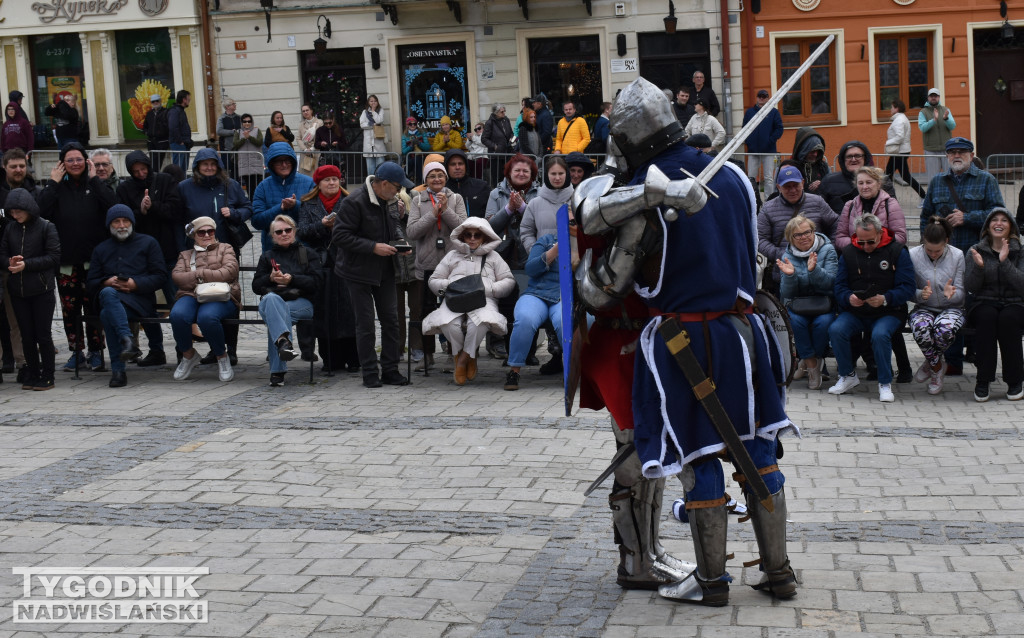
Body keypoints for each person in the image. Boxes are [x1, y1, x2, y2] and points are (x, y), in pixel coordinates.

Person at [576, 78, 796, 605]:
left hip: (682, 341)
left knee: (698, 455)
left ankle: (712, 581)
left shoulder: (645, 206)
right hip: (746, 333)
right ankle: (778, 571)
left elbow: (603, 292)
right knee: (757, 452)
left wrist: (582, 268)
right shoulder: (739, 180)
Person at [920, 136, 1005, 375]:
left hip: (977, 255)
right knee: (951, 305)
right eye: (952, 152)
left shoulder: (986, 180)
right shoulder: (937, 182)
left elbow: (999, 214)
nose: (957, 156)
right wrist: (927, 246)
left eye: (962, 152)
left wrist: (968, 218)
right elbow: (925, 215)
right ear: (946, 156)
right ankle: (953, 361)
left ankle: (978, 354)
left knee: (976, 304)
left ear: (971, 154)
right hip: (944, 257)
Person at [333, 161, 412, 388]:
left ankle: (390, 369)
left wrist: (400, 243)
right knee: (365, 323)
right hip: (356, 271)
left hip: (385, 269)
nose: (399, 192)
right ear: (384, 183)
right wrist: (372, 247)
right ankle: (369, 372)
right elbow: (339, 236)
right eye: (397, 187)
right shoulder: (354, 202)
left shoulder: (390, 200)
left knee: (392, 320)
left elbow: (393, 227)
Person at [39, 142, 117, 373]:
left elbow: (113, 208)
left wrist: (95, 180)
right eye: (70, 160)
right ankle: (76, 351)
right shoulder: (56, 188)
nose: (75, 164)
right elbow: (40, 212)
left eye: (79, 159)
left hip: (93, 260)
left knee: (92, 307)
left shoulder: (95, 185)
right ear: (62, 164)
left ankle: (96, 350)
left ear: (86, 162)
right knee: (69, 308)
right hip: (65, 262)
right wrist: (52, 182)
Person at [177, 148, 252, 365]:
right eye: (204, 164)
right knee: (204, 298)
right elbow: (177, 215)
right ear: (197, 167)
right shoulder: (184, 188)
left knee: (229, 296)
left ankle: (232, 349)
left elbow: (248, 207)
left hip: (226, 249)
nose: (209, 168)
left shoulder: (230, 185)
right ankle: (214, 347)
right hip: (197, 252)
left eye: (213, 164)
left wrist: (235, 214)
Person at [828, 213, 915, 402]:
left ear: (880, 233)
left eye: (870, 242)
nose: (865, 247)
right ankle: (847, 375)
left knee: (880, 335)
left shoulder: (898, 251)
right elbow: (839, 286)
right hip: (856, 311)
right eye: (861, 242)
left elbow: (908, 288)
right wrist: (848, 298)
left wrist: (886, 298)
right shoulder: (849, 253)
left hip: (889, 311)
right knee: (836, 329)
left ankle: (884, 383)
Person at [423, 218, 515, 384]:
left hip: (483, 299)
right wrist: (451, 286)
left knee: (479, 322)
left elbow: (508, 281)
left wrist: (489, 289)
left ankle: (464, 359)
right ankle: (464, 355)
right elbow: (434, 280)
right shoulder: (451, 255)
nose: (472, 238)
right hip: (455, 299)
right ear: (462, 236)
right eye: (468, 235)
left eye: (477, 235)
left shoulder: (493, 256)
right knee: (449, 323)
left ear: (484, 237)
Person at [86, 205, 167, 388]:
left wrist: (134, 284)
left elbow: (160, 276)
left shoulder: (148, 243)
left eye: (125, 221)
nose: (121, 225)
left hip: (139, 301)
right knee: (108, 296)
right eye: (116, 221)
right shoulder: (101, 249)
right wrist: (106, 282)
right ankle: (126, 341)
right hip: (110, 299)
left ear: (132, 223)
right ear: (110, 225)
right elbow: (91, 282)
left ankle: (119, 370)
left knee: (108, 314)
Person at [117, 150, 183, 366]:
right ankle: (156, 350)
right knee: (146, 305)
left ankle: (184, 348)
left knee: (177, 302)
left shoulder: (164, 181)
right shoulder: (125, 188)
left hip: (167, 252)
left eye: (143, 169)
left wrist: (153, 206)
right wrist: (140, 212)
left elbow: (175, 210)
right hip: (140, 257)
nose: (140, 173)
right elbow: (123, 219)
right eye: (135, 171)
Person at [298, 164, 360, 371]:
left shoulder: (351, 201)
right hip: (321, 264)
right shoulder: (308, 204)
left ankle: (354, 359)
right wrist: (321, 225)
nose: (332, 183)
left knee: (349, 311)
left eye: (335, 179)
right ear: (319, 183)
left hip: (347, 261)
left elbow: (360, 229)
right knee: (325, 313)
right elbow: (303, 231)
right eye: (327, 180)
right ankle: (331, 360)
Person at [407, 161, 467, 370]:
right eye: (432, 176)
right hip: (427, 264)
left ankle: (454, 352)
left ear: (446, 178)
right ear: (426, 180)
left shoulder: (456, 198)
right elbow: (412, 232)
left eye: (440, 175)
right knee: (426, 310)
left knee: (454, 308)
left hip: (452, 265)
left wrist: (445, 209)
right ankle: (427, 354)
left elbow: (463, 228)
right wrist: (433, 214)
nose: (437, 179)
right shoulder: (417, 201)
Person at [252, 214, 323, 386]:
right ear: (273, 236)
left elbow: (317, 283)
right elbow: (256, 286)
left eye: (287, 230)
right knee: (272, 302)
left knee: (273, 314)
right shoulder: (267, 256)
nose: (284, 233)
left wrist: (292, 279)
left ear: (294, 231)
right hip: (274, 301)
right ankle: (284, 344)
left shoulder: (307, 254)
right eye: (279, 231)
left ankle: (278, 370)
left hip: (301, 302)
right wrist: (270, 278)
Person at [0, 188, 59, 390]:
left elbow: (53, 257)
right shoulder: (10, 228)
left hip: (42, 289)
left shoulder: (46, 227)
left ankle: (48, 375)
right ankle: (32, 372)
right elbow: (2, 253)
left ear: (28, 208)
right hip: (18, 290)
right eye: (12, 212)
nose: (15, 216)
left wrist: (27, 264)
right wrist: (9, 261)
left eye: (19, 211)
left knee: (43, 335)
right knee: (26, 335)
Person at [169, 216, 239, 383]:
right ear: (194, 235)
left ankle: (222, 356)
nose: (207, 234)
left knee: (207, 317)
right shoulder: (185, 255)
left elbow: (229, 271)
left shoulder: (225, 248)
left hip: (221, 295)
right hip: (191, 295)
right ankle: (188, 354)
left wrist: (199, 274)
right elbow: (177, 277)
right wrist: (206, 276)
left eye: (210, 231)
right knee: (177, 315)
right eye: (202, 232)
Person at [965, 208, 1024, 401]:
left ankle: (1015, 380)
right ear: (987, 226)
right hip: (984, 302)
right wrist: (980, 268)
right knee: (987, 318)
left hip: (1015, 303)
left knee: (1009, 319)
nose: (999, 223)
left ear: (1011, 227)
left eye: (1004, 221)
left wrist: (1005, 262)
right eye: (994, 220)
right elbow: (971, 287)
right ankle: (983, 380)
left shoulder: (1020, 252)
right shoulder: (975, 250)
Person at [485, 154, 539, 360]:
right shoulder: (496, 193)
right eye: (517, 170)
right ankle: (511, 351)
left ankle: (530, 352)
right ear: (509, 172)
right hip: (503, 257)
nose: (521, 173)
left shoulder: (539, 193)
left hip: (529, 256)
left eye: (526, 170)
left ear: (532, 174)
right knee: (507, 305)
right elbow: (488, 226)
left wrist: (524, 208)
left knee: (530, 304)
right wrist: (508, 209)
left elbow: (540, 223)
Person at [777, 215, 838, 390]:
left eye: (807, 232)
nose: (804, 237)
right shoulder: (787, 254)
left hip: (823, 302)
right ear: (791, 238)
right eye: (798, 235)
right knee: (796, 322)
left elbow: (831, 283)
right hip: (798, 303)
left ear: (813, 231)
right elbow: (786, 293)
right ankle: (813, 366)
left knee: (823, 323)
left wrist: (814, 271)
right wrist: (790, 276)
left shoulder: (827, 250)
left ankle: (807, 361)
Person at [502, 227, 565, 391]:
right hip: (537, 293)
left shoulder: (585, 244)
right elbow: (531, 269)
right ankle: (514, 371)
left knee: (564, 322)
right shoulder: (546, 241)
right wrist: (556, 250)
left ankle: (572, 370)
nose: (570, 224)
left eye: (574, 221)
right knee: (525, 319)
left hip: (564, 296)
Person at [757, 165, 838, 291]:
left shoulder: (818, 202)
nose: (792, 190)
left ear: (803, 183)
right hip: (785, 271)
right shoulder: (768, 208)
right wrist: (782, 254)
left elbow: (835, 225)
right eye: (787, 186)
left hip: (818, 267)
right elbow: (760, 239)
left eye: (796, 185)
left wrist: (828, 249)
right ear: (778, 187)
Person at [908, 216, 965, 395]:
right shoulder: (913, 254)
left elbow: (962, 293)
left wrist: (953, 295)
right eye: (929, 250)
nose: (933, 254)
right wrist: (919, 294)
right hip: (924, 307)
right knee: (920, 328)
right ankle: (938, 367)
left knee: (944, 330)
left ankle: (930, 363)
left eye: (938, 251)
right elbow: (907, 289)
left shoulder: (957, 255)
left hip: (952, 308)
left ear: (946, 242)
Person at [0, 149, 40, 377]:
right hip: (3, 262)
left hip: (28, 263)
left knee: (20, 318)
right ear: (5, 166)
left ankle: (24, 361)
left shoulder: (34, 191)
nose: (18, 170)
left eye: (21, 166)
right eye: (13, 166)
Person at [252, 142, 315, 252]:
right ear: (271, 164)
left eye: (287, 160)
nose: (284, 165)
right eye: (279, 162)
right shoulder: (263, 187)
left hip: (303, 249)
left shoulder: (309, 183)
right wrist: (279, 208)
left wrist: (296, 206)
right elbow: (257, 221)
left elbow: (315, 216)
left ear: (293, 161)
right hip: (273, 250)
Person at [834, 166, 906, 249]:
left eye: (868, 182)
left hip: (883, 255)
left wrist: (873, 244)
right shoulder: (849, 206)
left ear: (878, 184)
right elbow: (840, 238)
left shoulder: (890, 204)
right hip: (856, 255)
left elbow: (901, 237)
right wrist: (859, 244)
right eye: (861, 183)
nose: (864, 187)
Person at [819, 141, 895, 215]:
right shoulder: (829, 181)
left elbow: (893, 210)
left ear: (865, 158)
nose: (853, 159)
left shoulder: (881, 179)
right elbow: (821, 211)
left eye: (858, 156)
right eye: (849, 156)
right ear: (843, 160)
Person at [521, 155, 573, 254]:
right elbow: (526, 231)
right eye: (553, 173)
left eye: (561, 173)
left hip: (573, 263)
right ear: (547, 174)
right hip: (545, 263)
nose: (557, 178)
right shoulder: (534, 204)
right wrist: (535, 252)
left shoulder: (577, 201)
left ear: (567, 174)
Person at [743, 89, 784, 197]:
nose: (761, 98)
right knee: (751, 178)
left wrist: (770, 141)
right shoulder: (750, 112)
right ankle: (753, 200)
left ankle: (769, 201)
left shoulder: (774, 112)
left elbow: (779, 129)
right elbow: (744, 129)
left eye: (764, 96)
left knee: (768, 178)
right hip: (753, 150)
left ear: (768, 98)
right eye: (759, 96)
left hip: (769, 150)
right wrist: (749, 142)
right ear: (756, 97)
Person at [884, 99, 926, 200]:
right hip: (900, 151)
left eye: (892, 107)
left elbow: (900, 137)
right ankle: (890, 199)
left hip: (899, 152)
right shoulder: (901, 118)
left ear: (896, 108)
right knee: (899, 176)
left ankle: (890, 199)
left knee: (887, 176)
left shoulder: (899, 120)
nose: (890, 109)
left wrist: (887, 143)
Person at [917, 88, 956, 179]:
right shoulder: (923, 112)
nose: (933, 98)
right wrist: (933, 120)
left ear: (939, 97)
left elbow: (952, 126)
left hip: (947, 149)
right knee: (933, 178)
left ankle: (950, 193)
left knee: (950, 177)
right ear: (928, 98)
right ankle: (933, 193)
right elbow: (922, 128)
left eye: (936, 96)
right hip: (931, 150)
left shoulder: (946, 110)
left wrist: (946, 119)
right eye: (931, 96)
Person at [444, 149, 489, 218]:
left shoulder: (482, 186)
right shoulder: (442, 189)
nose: (457, 167)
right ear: (447, 167)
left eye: (460, 163)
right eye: (453, 164)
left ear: (466, 166)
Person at [482, 104, 514, 185]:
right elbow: (484, 139)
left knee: (508, 177)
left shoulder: (506, 120)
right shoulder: (490, 123)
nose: (504, 113)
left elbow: (510, 133)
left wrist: (512, 139)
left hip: (507, 153)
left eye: (504, 111)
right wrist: (495, 146)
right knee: (497, 179)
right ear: (496, 113)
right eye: (501, 112)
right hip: (496, 156)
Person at [790, 127, 829, 194]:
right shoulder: (790, 168)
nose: (815, 155)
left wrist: (822, 184)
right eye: (812, 151)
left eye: (818, 151)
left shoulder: (823, 167)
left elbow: (831, 187)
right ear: (803, 149)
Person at [233, 113, 264, 196]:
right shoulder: (238, 132)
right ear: (241, 122)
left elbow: (259, 142)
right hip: (244, 163)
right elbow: (235, 144)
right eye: (245, 121)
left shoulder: (257, 130)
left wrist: (249, 137)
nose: (247, 123)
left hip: (256, 163)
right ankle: (251, 203)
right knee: (249, 186)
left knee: (257, 185)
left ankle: (257, 202)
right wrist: (244, 138)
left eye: (249, 121)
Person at [360, 95, 387, 177]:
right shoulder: (364, 112)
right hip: (368, 144)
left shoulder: (380, 111)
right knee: (370, 169)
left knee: (380, 167)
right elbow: (362, 124)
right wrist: (372, 124)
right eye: (371, 101)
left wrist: (373, 111)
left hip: (378, 142)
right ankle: (371, 184)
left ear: (377, 102)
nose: (373, 103)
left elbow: (379, 120)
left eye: (375, 101)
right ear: (368, 102)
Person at [216, 98, 241, 179]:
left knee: (237, 170)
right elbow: (219, 131)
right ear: (227, 107)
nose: (235, 105)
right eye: (233, 104)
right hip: (227, 148)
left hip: (238, 148)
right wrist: (232, 132)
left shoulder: (239, 117)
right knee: (227, 169)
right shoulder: (222, 118)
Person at [167, 90, 192, 172]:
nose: (189, 100)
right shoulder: (175, 111)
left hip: (183, 143)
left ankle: (181, 184)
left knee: (183, 168)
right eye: (188, 99)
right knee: (178, 169)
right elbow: (173, 127)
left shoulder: (180, 111)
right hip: (178, 144)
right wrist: (180, 141)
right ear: (184, 99)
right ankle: (177, 184)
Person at [401, 116, 431, 181]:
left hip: (421, 156)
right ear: (407, 125)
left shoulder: (422, 133)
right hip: (410, 157)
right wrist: (411, 146)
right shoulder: (405, 135)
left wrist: (419, 143)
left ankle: (420, 181)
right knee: (410, 163)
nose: (412, 125)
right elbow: (404, 151)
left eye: (414, 124)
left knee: (418, 161)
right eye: (410, 124)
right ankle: (407, 181)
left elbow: (427, 147)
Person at [143, 94, 169, 167]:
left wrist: (164, 133)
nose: (155, 103)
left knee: (158, 162)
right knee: (153, 162)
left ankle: (155, 176)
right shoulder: (149, 113)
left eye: (157, 101)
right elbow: (145, 126)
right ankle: (154, 176)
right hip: (151, 142)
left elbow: (169, 126)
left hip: (162, 142)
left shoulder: (166, 112)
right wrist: (147, 132)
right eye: (153, 101)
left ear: (160, 101)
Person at [297, 103, 322, 176]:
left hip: (315, 152)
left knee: (316, 175)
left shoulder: (319, 122)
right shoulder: (301, 124)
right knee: (305, 175)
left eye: (307, 110)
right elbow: (298, 138)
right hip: (305, 153)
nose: (305, 112)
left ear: (311, 111)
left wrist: (312, 148)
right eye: (303, 111)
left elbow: (321, 137)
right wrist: (305, 149)